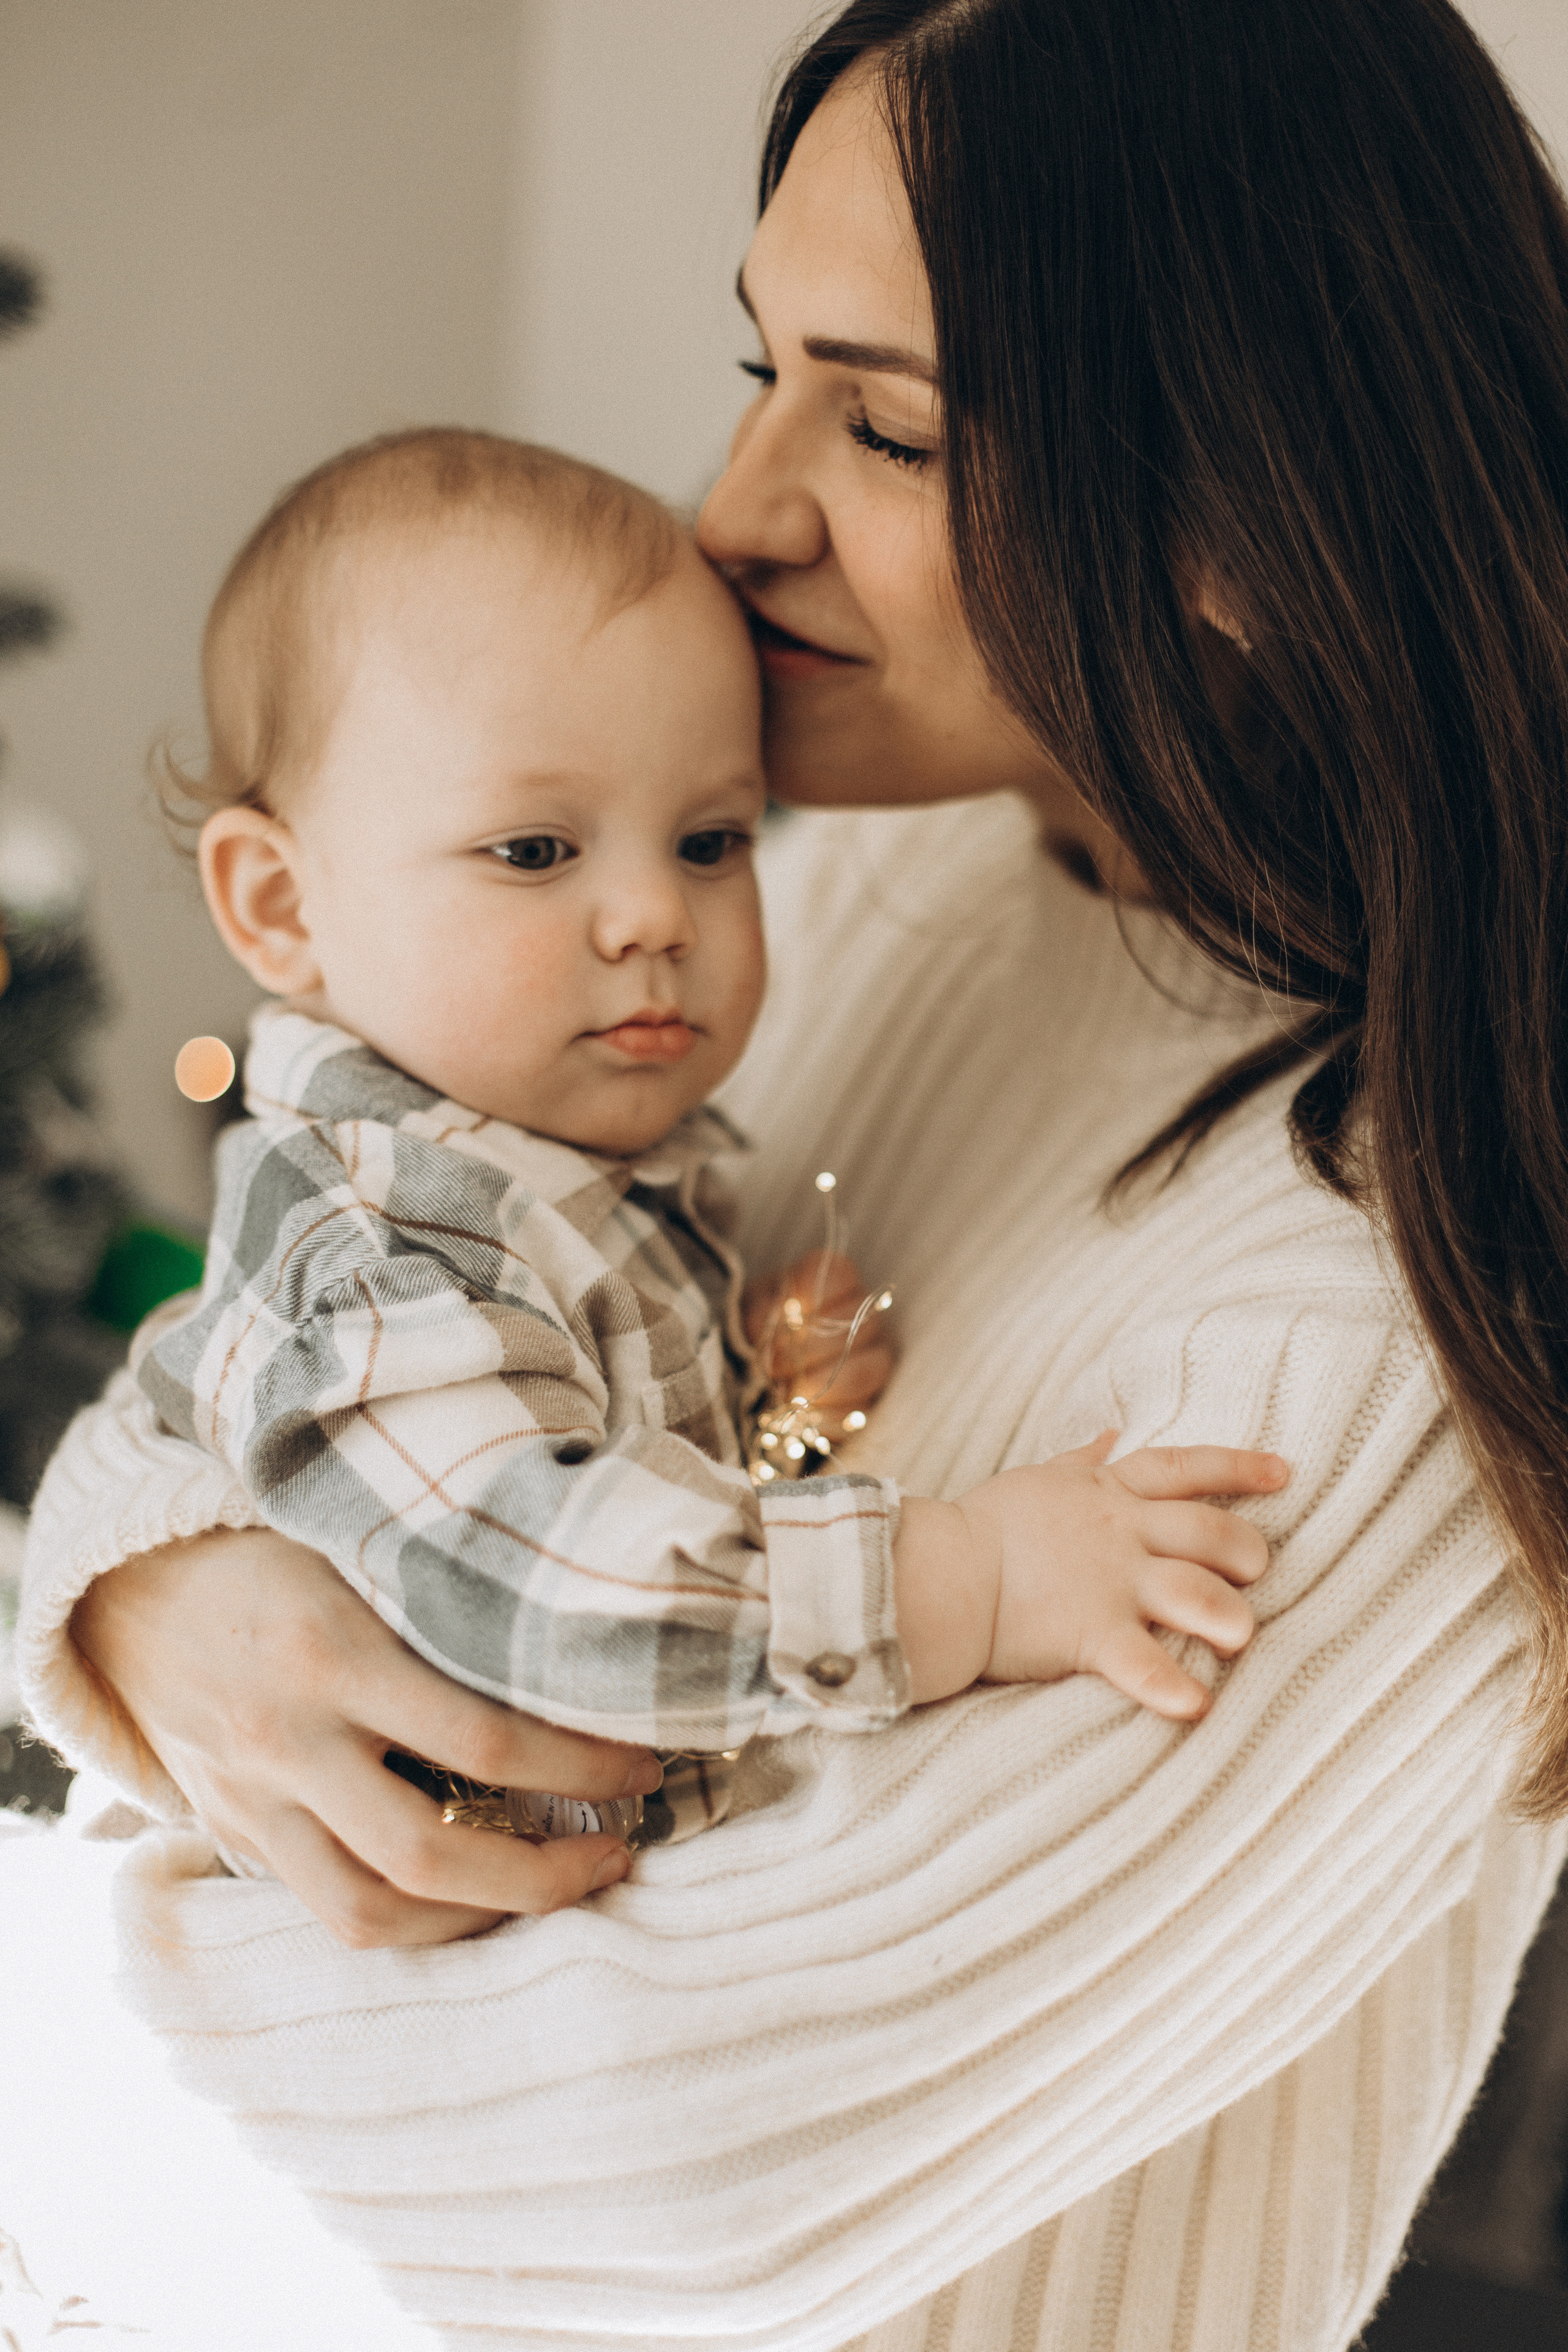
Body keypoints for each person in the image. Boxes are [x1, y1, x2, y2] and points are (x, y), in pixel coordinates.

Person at [14, 0, 1568, 2345]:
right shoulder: (812, 884)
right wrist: (159, 1606)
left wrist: (66, 1959)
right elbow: (284, 1317)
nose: (733, 511)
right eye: (759, 369)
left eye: (891, 423)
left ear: (1245, 506)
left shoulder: (1395, 1302)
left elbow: (655, 2168)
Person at [132, 422, 1280, 1858]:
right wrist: (968, 1577)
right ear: (281, 907)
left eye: (710, 842)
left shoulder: (544, 1162)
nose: (654, 918)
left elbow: (603, 1457)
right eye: (536, 852)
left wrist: (772, 1405)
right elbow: (551, 1595)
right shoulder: (386, 1233)